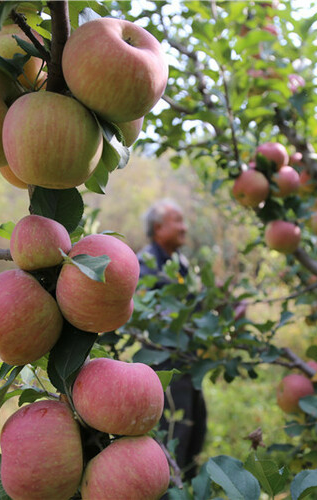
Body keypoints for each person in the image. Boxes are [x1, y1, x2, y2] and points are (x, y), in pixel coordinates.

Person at [137, 199, 207, 482]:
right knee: (173, 431)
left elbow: (195, 310)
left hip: (188, 363)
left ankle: (186, 484)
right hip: (164, 365)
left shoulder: (181, 264)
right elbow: (145, 311)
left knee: (195, 427)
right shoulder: (144, 264)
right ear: (158, 228)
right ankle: (169, 488)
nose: (184, 227)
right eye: (177, 220)